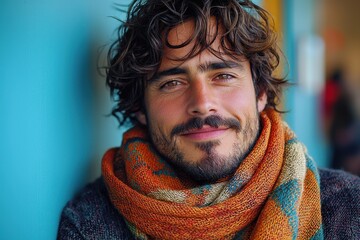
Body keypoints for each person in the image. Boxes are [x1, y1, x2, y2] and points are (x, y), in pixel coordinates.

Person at [58, 0, 360, 239]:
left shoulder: (348, 206)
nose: (203, 105)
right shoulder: (89, 220)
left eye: (223, 76)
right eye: (172, 83)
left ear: (261, 93)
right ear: (140, 108)